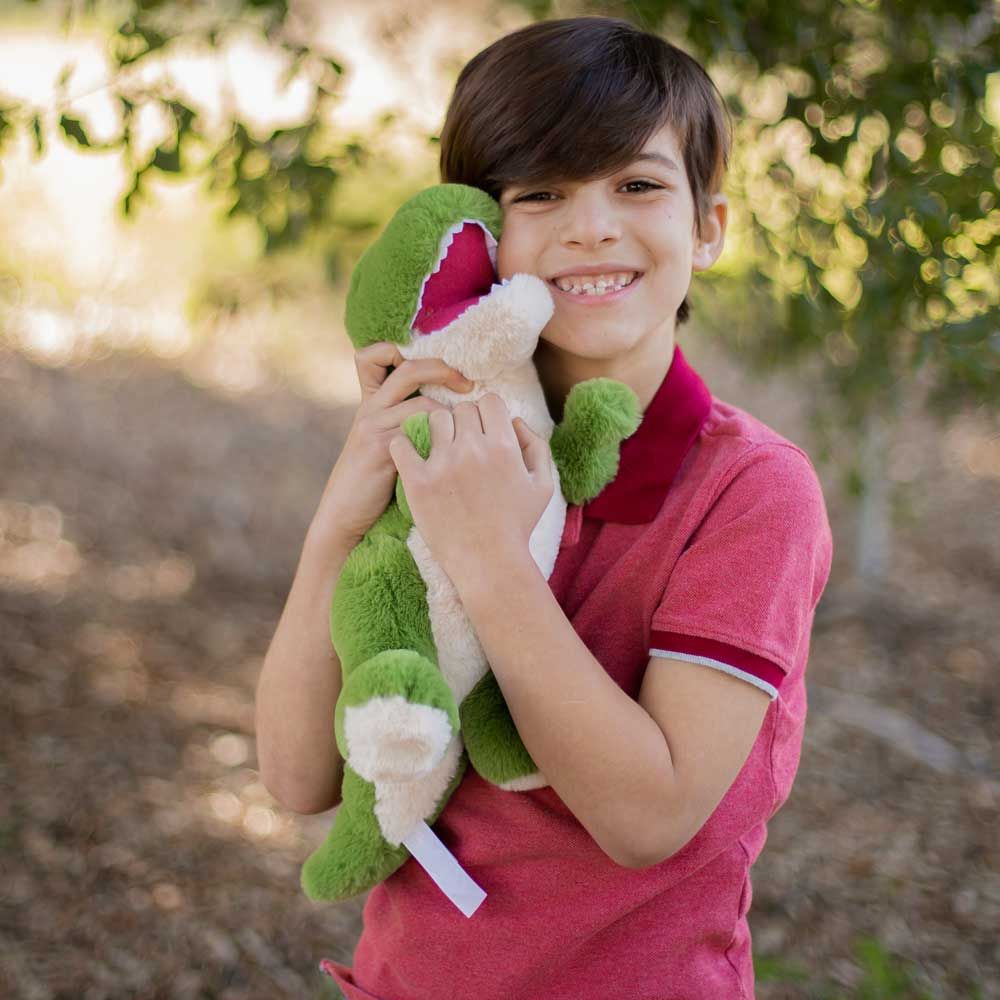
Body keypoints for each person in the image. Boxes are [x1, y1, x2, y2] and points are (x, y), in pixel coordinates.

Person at [255, 15, 834, 1000]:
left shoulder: (751, 491)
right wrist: (337, 526)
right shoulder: (439, 440)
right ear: (481, 235)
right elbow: (298, 776)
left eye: (637, 185)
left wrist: (488, 559)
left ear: (709, 226)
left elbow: (647, 817)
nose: (591, 226)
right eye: (542, 193)